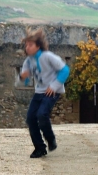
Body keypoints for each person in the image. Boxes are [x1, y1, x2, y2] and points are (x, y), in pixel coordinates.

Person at [16, 27, 70, 158]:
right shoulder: (28, 61)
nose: (27, 48)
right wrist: (23, 77)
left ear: (38, 46)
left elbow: (65, 70)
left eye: (30, 45)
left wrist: (54, 86)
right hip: (39, 91)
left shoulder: (48, 56)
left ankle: (50, 139)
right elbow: (26, 81)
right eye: (26, 45)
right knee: (30, 118)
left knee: (42, 114)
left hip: (52, 91)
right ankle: (40, 148)